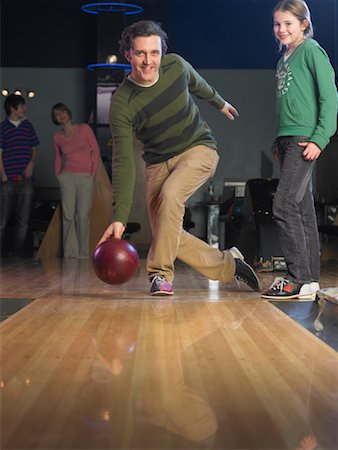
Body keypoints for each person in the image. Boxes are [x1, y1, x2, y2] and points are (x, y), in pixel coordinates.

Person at [97, 20, 261, 296]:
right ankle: (231, 266)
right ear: (128, 54)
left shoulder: (176, 66)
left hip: (198, 149)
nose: (149, 61)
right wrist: (120, 218)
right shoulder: (122, 103)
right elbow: (123, 161)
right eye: (140, 53)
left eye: (154, 53)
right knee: (167, 232)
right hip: (157, 164)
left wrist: (219, 102)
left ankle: (160, 275)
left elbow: (198, 84)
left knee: (171, 196)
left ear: (162, 52)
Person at [261, 0, 337, 299]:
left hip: (305, 139)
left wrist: (320, 138)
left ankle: (297, 277)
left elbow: (330, 98)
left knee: (283, 205)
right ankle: (311, 280)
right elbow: (287, 107)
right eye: (277, 24)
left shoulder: (311, 50)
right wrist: (278, 142)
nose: (281, 29)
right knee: (302, 209)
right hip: (287, 140)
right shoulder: (284, 60)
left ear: (303, 24)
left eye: (288, 24)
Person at [52, 103, 100, 258]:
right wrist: (58, 176)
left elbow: (96, 150)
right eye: (57, 115)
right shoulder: (57, 137)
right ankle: (70, 254)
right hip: (67, 178)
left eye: (63, 112)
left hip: (86, 177)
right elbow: (58, 158)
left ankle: (83, 254)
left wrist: (92, 175)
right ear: (55, 119)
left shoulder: (84, 129)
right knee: (68, 215)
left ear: (68, 113)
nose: (61, 116)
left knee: (83, 215)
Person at [0, 94, 39, 256]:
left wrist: (31, 164)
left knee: (23, 221)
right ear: (12, 108)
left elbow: (34, 148)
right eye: (22, 106)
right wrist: (3, 176)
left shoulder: (28, 126)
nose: (24, 109)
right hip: (8, 180)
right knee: (2, 220)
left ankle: (17, 253)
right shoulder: (2, 128)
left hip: (26, 180)